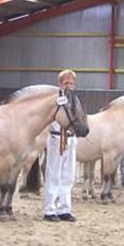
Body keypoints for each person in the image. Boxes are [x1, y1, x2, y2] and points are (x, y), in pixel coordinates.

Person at [43, 69, 79, 222]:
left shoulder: (75, 100)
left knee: (68, 175)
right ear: (60, 84)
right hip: (57, 138)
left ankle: (64, 208)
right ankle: (50, 209)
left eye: (71, 83)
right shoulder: (56, 99)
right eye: (66, 83)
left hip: (71, 138)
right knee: (54, 174)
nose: (69, 86)